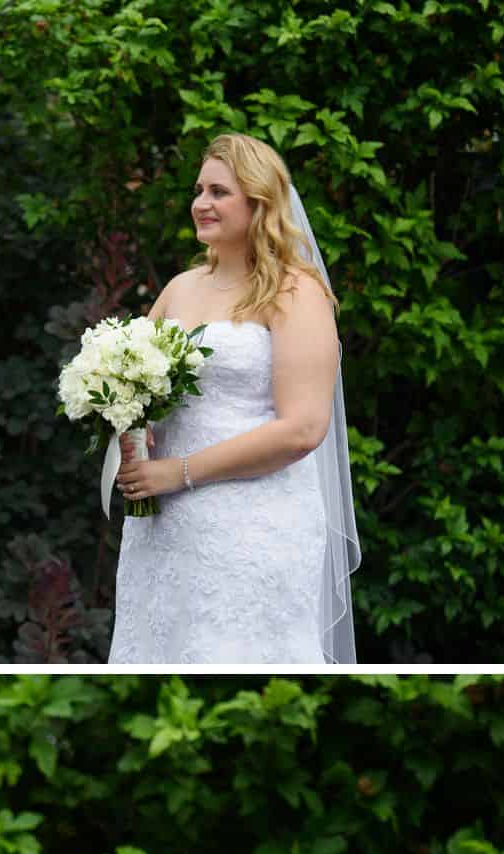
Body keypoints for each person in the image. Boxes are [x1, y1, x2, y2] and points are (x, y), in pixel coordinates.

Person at [109, 133, 361, 663]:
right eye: (199, 190)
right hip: (165, 531)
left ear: (259, 202)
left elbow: (302, 429)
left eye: (220, 192)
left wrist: (176, 472)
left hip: (252, 526)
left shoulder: (295, 292)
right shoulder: (180, 288)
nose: (202, 202)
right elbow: (128, 383)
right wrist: (127, 431)